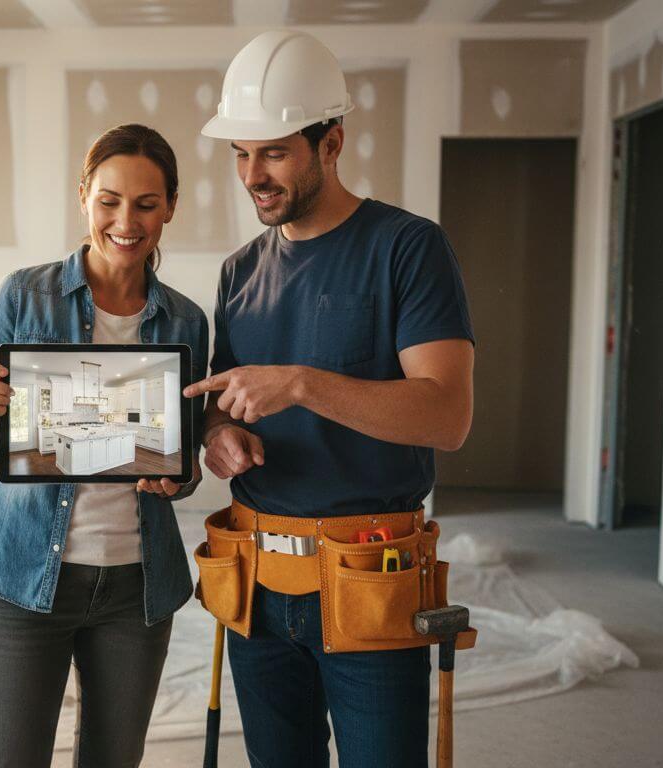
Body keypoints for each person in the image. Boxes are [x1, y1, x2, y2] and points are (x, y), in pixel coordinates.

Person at [185, 30, 476, 768]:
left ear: (332, 142)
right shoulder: (239, 272)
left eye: (274, 153)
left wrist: (303, 384)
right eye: (240, 154)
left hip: (368, 577)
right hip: (256, 577)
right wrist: (217, 434)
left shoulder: (407, 248)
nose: (253, 176)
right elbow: (223, 398)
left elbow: (448, 415)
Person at [0, 123, 209, 767]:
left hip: (135, 590)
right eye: (109, 201)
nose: (126, 222)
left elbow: (183, 462)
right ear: (84, 196)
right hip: (21, 574)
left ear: (171, 206)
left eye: (146, 204)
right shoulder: (23, 295)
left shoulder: (186, 321)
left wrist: (177, 478)